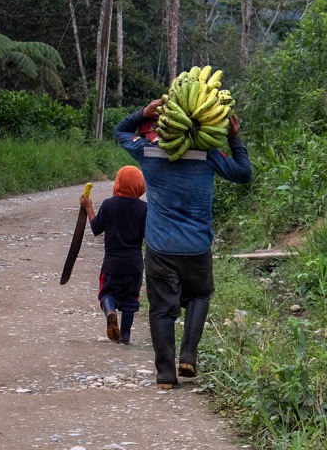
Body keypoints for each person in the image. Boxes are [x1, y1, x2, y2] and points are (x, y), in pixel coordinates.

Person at [115, 98, 252, 390]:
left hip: (159, 247)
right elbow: (244, 174)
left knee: (161, 308)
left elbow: (120, 132)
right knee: (199, 296)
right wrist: (234, 138)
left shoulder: (148, 151)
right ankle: (188, 354)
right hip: (197, 246)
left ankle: (165, 373)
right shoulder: (208, 154)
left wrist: (142, 112)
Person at [79, 165, 147, 345]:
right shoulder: (144, 209)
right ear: (140, 186)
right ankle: (125, 337)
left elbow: (95, 228)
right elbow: (148, 236)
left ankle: (110, 312)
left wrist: (89, 207)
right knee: (130, 301)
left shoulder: (109, 204)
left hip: (112, 264)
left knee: (107, 293)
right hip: (134, 265)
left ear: (117, 184)